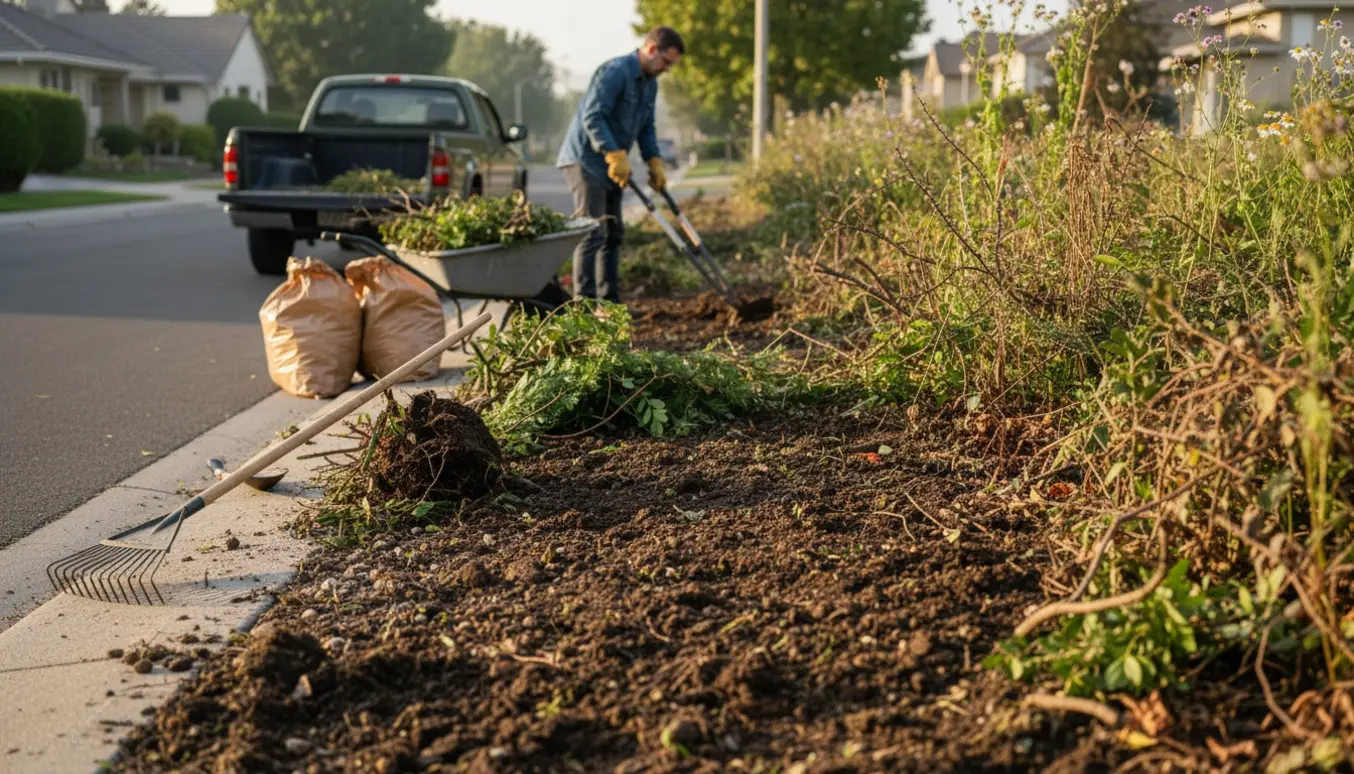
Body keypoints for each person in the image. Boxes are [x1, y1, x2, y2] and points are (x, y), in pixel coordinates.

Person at [556, 26, 684, 303]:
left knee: (614, 234)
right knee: (593, 231)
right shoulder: (615, 72)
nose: (667, 69)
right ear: (651, 49)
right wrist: (614, 154)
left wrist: (655, 162)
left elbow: (646, 128)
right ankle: (584, 307)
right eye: (666, 62)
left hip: (614, 163)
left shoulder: (650, 83)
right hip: (586, 160)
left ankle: (610, 303)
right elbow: (593, 117)